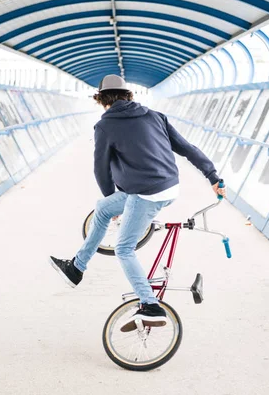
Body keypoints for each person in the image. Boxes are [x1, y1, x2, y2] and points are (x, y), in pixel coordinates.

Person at [50, 74, 226, 332]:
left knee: (123, 249)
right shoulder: (155, 116)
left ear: (101, 99)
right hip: (169, 187)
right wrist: (213, 176)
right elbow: (187, 148)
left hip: (145, 195)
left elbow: (101, 169)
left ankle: (150, 305)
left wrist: (111, 193)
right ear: (128, 95)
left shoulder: (105, 126)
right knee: (102, 209)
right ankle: (77, 267)